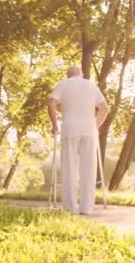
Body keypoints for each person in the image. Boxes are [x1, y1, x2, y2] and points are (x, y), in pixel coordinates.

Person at [48, 65, 109, 215]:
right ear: (82, 74)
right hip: (89, 130)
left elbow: (51, 104)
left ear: (68, 75)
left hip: (70, 129)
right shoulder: (91, 85)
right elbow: (104, 109)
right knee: (88, 168)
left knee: (69, 167)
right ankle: (87, 208)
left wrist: (55, 125)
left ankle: (70, 207)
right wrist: (95, 126)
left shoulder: (62, 84)